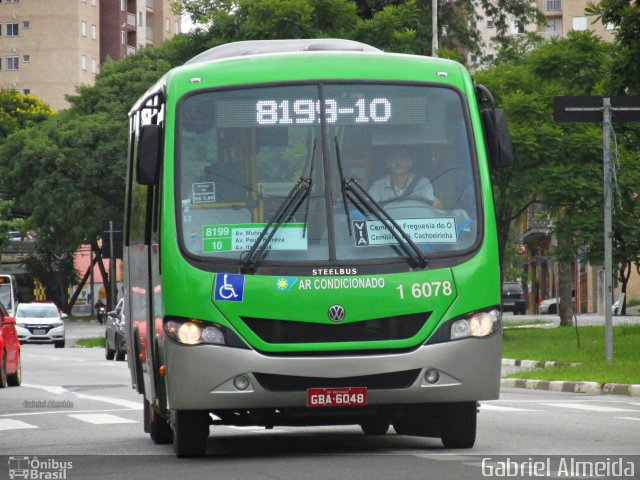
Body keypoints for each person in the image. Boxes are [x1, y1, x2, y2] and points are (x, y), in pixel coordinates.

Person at [368, 147, 442, 208]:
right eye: (394, 158)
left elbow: (433, 206)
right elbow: (368, 208)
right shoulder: (378, 186)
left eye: (402, 157)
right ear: (388, 164)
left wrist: (437, 205)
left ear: (409, 163)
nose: (398, 162)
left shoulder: (423, 183)